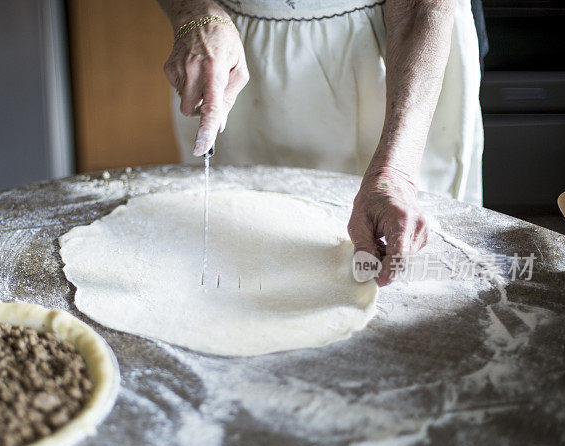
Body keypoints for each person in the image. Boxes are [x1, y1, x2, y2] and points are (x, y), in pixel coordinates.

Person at [155, 0, 483, 286]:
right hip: (230, 50)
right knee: (233, 247)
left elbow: (417, 7)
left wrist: (397, 175)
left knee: (399, 256)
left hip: (401, 54)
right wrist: (196, 12)